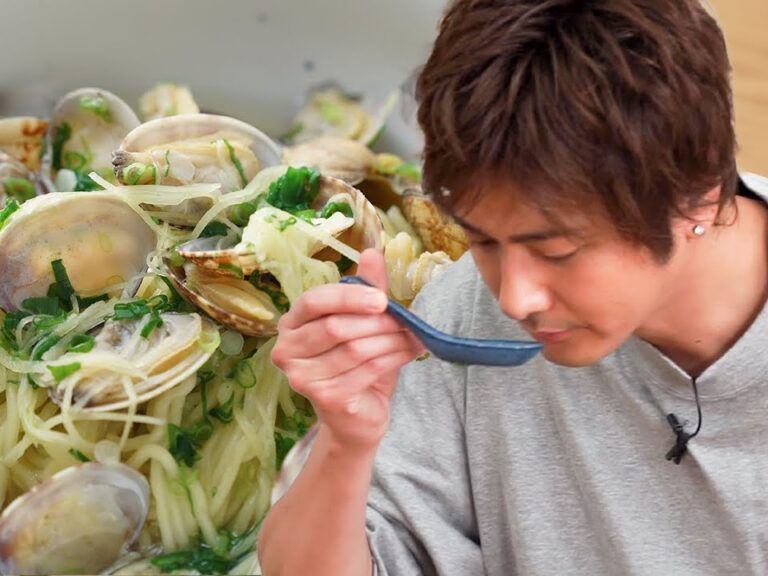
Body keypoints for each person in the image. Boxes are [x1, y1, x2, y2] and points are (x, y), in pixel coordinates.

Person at [257, 0, 768, 574]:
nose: (514, 299)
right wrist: (345, 439)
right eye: (483, 241)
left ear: (696, 192)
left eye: (557, 251)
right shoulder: (461, 316)